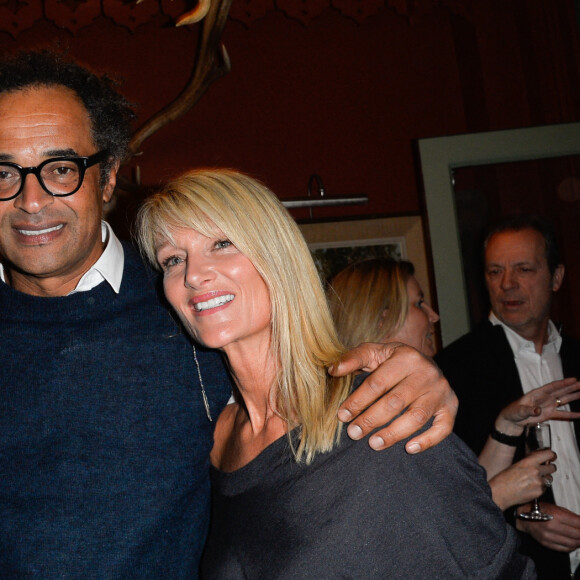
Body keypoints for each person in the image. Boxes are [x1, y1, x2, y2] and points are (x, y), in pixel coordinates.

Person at [0, 50, 458, 578]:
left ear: (107, 180)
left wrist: (412, 373)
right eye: (4, 171)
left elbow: (316, 383)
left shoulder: (192, 307)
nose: (30, 199)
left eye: (61, 169)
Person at [136, 169, 535, 579]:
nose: (193, 274)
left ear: (278, 254)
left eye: (221, 243)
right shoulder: (209, 441)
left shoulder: (379, 414)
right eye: (174, 259)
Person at [328, 257, 580, 513]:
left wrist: (508, 425)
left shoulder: (405, 398)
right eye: (419, 303)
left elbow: (459, 491)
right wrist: (500, 495)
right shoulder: (376, 414)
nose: (433, 316)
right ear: (382, 320)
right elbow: (425, 531)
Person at [436, 214, 580, 579]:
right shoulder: (453, 369)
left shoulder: (578, 357)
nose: (507, 285)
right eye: (494, 271)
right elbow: (445, 494)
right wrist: (521, 517)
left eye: (524, 269)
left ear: (557, 277)